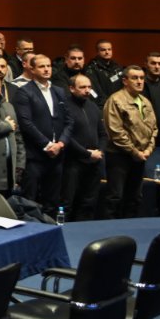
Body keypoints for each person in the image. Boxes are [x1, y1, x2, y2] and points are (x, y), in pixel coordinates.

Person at [13, 54, 70, 215]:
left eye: (48, 66)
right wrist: (48, 144)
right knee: (30, 201)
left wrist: (60, 144)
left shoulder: (59, 91)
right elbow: (26, 123)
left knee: (52, 200)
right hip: (35, 155)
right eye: (41, 66)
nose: (46, 69)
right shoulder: (24, 92)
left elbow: (69, 120)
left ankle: (51, 227)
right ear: (32, 69)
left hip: (57, 155)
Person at [102, 65, 157, 219]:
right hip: (119, 155)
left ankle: (130, 227)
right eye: (135, 78)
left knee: (135, 197)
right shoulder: (115, 100)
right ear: (125, 81)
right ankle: (109, 228)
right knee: (115, 196)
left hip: (141, 156)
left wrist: (148, 149)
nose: (139, 81)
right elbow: (115, 132)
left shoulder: (145, 101)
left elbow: (154, 129)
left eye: (142, 78)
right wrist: (135, 152)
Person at [62, 74, 106, 220]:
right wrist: (87, 153)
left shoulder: (93, 106)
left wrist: (100, 151)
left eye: (89, 87)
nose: (87, 90)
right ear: (71, 88)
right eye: (82, 87)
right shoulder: (64, 107)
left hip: (94, 162)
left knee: (89, 203)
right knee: (68, 202)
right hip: (73, 163)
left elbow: (103, 134)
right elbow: (67, 137)